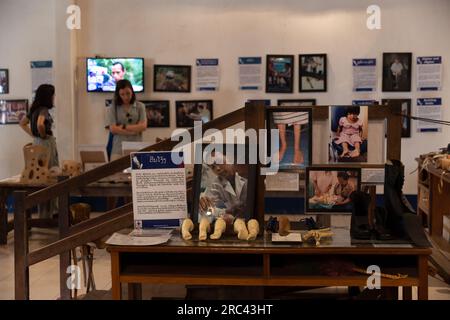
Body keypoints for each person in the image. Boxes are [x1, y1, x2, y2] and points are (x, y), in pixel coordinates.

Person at [19, 84, 59, 218]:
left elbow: (22, 123)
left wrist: (34, 135)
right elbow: (41, 124)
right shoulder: (43, 110)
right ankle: (51, 213)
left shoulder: (33, 110)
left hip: (36, 144)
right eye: (53, 95)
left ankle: (43, 214)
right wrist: (42, 135)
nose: (54, 97)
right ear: (48, 96)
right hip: (46, 144)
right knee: (50, 176)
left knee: (40, 178)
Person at [198, 152, 248, 225]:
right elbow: (207, 212)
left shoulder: (247, 173)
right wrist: (223, 213)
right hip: (235, 226)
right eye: (213, 167)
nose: (217, 169)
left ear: (228, 157)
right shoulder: (215, 185)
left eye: (218, 162)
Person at [106, 79, 147, 161]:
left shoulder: (140, 106)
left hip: (136, 147)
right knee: (115, 173)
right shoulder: (113, 107)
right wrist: (134, 130)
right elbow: (113, 129)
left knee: (136, 173)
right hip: (118, 148)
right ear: (118, 94)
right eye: (122, 94)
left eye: (128, 93)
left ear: (132, 91)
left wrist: (123, 127)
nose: (126, 97)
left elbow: (143, 126)